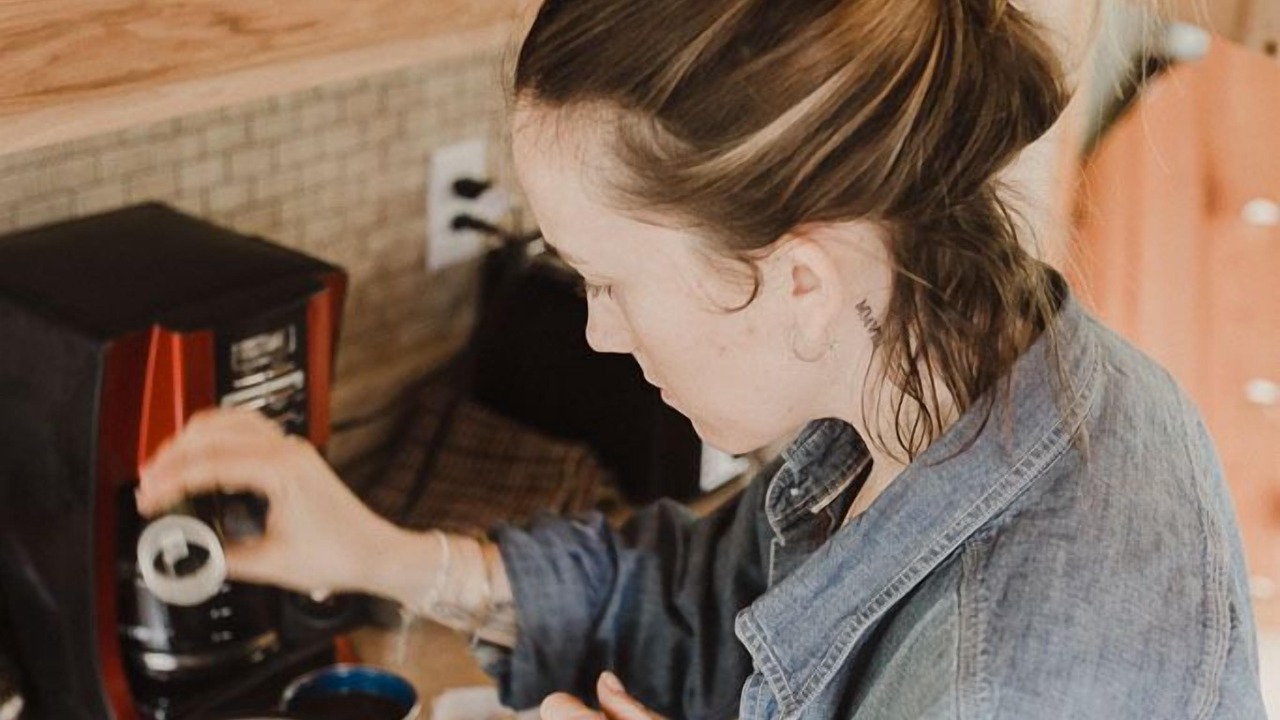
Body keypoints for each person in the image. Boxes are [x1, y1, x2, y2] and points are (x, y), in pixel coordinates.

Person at [136, 0, 1268, 717]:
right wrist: (384, 554)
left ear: (796, 282)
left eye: (608, 279)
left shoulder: (1015, 682)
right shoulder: (921, 386)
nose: (594, 330)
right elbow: (683, 601)